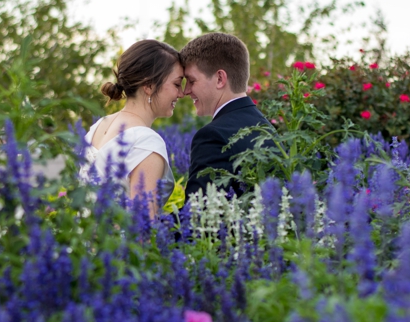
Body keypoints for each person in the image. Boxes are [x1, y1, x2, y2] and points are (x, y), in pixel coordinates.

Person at [79, 39, 184, 217]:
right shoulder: (146, 141)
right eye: (176, 84)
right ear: (149, 85)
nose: (181, 93)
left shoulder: (98, 126)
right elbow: (141, 230)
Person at [180, 32, 273, 200]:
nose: (186, 91)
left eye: (192, 81)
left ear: (220, 79)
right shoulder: (266, 127)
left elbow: (197, 215)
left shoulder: (213, 136)